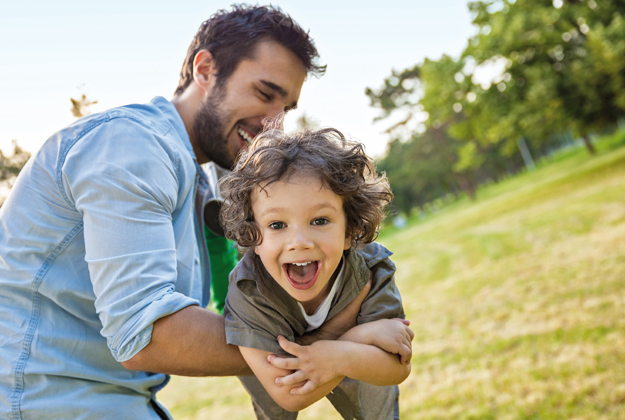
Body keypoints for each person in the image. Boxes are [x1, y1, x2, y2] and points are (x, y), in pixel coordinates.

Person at [0, 5, 387, 420]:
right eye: (264, 93)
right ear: (205, 70)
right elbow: (148, 334)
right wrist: (322, 345)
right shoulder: (131, 147)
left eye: (286, 109)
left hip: (117, 400)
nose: (273, 125)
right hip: (38, 401)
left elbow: (236, 307)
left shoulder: (204, 180)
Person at [220, 127, 414, 420]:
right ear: (254, 237)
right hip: (277, 377)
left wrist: (337, 358)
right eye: (277, 225)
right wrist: (358, 337)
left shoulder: (370, 268)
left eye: (320, 220)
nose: (299, 241)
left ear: (349, 231)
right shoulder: (248, 289)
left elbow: (397, 367)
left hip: (365, 377)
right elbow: (288, 394)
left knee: (378, 410)